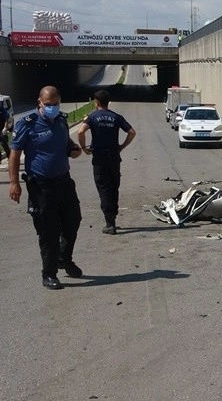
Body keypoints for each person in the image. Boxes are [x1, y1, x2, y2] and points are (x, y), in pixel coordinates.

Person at [8, 86, 83, 290]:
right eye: (48, 105)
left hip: (64, 182)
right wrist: (14, 183)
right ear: (40, 102)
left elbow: (64, 141)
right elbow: (14, 154)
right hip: (41, 187)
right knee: (48, 232)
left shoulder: (60, 120)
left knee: (73, 221)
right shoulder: (28, 124)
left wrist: (72, 149)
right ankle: (48, 274)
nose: (52, 108)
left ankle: (63, 258)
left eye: (56, 104)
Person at [77, 89, 136, 235]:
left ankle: (110, 223)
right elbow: (132, 132)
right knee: (113, 187)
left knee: (103, 189)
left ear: (96, 102)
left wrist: (84, 148)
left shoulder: (92, 117)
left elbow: (80, 131)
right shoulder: (116, 117)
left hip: (99, 159)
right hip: (114, 158)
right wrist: (122, 146)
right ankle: (113, 217)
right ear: (108, 102)